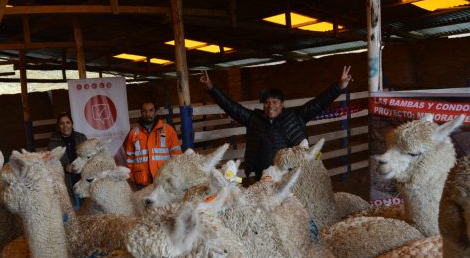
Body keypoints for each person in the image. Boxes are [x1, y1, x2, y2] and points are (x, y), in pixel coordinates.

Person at [200, 66, 353, 180]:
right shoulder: (254, 119)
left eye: (275, 102)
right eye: (267, 102)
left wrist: (339, 87)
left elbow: (319, 103)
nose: (270, 105)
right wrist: (211, 88)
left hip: (288, 175)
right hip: (262, 176)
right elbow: (230, 106)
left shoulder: (295, 116)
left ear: (282, 103)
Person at [124, 101, 182, 187]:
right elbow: (129, 158)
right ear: (141, 112)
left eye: (151, 110)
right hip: (142, 181)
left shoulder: (168, 130)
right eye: (144, 111)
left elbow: (177, 155)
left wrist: (175, 175)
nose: (148, 114)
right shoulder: (133, 133)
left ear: (155, 112)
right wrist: (132, 177)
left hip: (163, 178)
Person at [48, 111, 87, 208]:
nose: (65, 126)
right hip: (65, 181)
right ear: (58, 126)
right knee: (73, 209)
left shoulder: (81, 138)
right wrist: (65, 166)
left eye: (68, 122)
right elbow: (51, 162)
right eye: (62, 123)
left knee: (85, 208)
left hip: (81, 178)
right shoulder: (53, 141)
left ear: (72, 124)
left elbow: (88, 157)